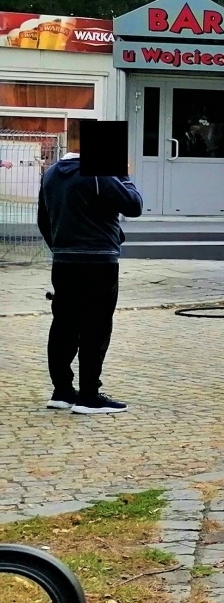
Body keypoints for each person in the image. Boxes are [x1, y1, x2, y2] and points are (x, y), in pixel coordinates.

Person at [37, 151, 143, 415]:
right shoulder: (100, 174)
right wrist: (123, 175)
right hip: (99, 261)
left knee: (63, 325)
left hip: (64, 261)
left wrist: (60, 248)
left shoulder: (51, 174)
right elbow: (134, 205)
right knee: (96, 327)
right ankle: (89, 396)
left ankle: (62, 391)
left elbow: (43, 220)